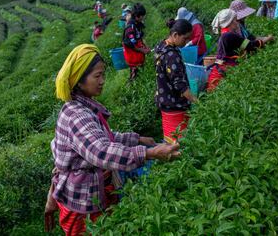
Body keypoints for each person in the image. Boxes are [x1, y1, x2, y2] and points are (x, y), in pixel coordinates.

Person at [44, 44, 181, 235]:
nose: (102, 81)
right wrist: (150, 153)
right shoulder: (77, 115)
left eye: (103, 75)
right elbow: (101, 151)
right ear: (79, 80)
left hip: (94, 190)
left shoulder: (84, 105)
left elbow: (104, 137)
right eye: (97, 76)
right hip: (83, 200)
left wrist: (138, 139)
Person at [207, 9, 274, 91]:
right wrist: (268, 39)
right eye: (235, 20)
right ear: (230, 22)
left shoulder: (225, 33)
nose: (237, 22)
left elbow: (246, 44)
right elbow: (250, 46)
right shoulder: (230, 35)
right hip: (224, 71)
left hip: (220, 70)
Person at [154, 19, 197, 144]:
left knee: (170, 139)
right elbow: (180, 85)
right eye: (185, 38)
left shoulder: (161, 46)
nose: (187, 41)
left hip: (164, 99)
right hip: (174, 104)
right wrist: (197, 101)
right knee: (179, 142)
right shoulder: (171, 55)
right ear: (175, 35)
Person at [122, 3, 151, 80]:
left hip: (138, 55)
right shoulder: (130, 28)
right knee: (134, 75)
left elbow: (139, 38)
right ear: (137, 16)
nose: (143, 18)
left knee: (140, 73)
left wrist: (145, 46)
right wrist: (143, 50)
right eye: (142, 16)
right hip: (133, 56)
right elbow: (131, 45)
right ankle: (131, 89)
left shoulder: (137, 24)